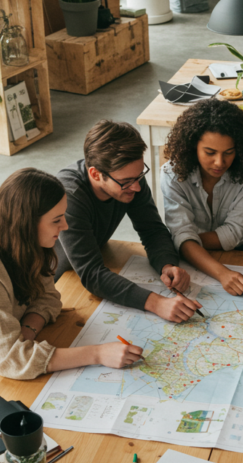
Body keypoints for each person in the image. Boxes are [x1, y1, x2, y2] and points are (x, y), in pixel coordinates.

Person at [0, 168, 144, 423]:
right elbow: (11, 360)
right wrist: (97, 354)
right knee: (36, 422)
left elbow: (49, 297)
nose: (65, 226)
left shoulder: (26, 243)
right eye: (56, 220)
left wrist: (28, 329)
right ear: (28, 221)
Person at [55, 120, 200, 323]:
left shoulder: (131, 180)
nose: (137, 188)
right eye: (126, 182)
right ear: (96, 174)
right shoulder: (69, 196)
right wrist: (156, 303)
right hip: (54, 280)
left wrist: (166, 264)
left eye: (139, 176)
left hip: (87, 264)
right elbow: (91, 273)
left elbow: (152, 230)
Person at [161, 99, 243, 296]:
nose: (220, 162)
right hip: (191, 255)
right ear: (193, 147)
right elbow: (182, 234)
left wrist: (186, 242)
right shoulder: (171, 174)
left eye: (229, 152)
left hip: (240, 248)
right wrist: (223, 273)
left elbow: (238, 232)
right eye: (210, 152)